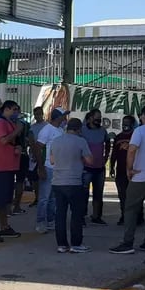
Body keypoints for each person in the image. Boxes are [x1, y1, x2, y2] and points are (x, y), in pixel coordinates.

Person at [110, 106, 145, 255]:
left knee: (130, 208)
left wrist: (129, 169)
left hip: (142, 175)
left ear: (144, 116)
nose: (140, 118)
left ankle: (128, 242)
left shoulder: (140, 131)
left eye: (141, 116)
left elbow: (132, 150)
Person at [50, 118, 94, 253]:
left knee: (60, 214)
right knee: (76, 214)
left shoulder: (56, 141)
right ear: (79, 129)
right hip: (74, 182)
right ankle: (76, 244)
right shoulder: (81, 141)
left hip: (57, 181)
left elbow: (52, 161)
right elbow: (90, 160)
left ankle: (62, 244)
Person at [0, 100, 23, 241]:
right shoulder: (0, 123)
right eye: (14, 109)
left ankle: (5, 227)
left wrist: (18, 147)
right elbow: (3, 140)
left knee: (5, 201)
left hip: (10, 166)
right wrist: (17, 130)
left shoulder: (11, 124)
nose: (16, 113)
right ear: (6, 109)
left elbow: (13, 142)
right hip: (0, 168)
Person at [34, 108, 67, 233]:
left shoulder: (60, 130)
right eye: (63, 116)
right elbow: (38, 148)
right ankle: (40, 222)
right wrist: (41, 167)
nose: (65, 118)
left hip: (58, 169)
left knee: (53, 198)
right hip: (48, 167)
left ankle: (50, 220)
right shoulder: (47, 130)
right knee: (44, 198)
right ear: (58, 117)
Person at [81, 108, 112, 225]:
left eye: (100, 118)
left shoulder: (103, 131)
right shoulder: (82, 131)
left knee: (98, 193)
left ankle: (96, 216)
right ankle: (82, 216)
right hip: (86, 167)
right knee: (84, 194)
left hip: (100, 167)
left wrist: (106, 157)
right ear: (90, 118)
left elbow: (108, 142)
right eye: (96, 118)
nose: (99, 120)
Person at [110, 115, 141, 226]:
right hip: (121, 171)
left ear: (132, 124)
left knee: (135, 195)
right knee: (122, 195)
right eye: (123, 123)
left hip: (134, 170)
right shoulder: (118, 137)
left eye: (127, 123)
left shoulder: (136, 136)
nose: (125, 125)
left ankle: (138, 217)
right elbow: (114, 154)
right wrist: (112, 166)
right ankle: (124, 216)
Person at [27, 106, 48, 207]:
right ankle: (37, 197)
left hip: (45, 154)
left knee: (44, 177)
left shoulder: (47, 126)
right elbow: (31, 141)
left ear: (42, 114)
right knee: (35, 178)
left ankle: (45, 198)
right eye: (36, 114)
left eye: (39, 113)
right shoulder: (32, 127)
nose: (37, 116)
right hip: (34, 155)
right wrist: (34, 153)